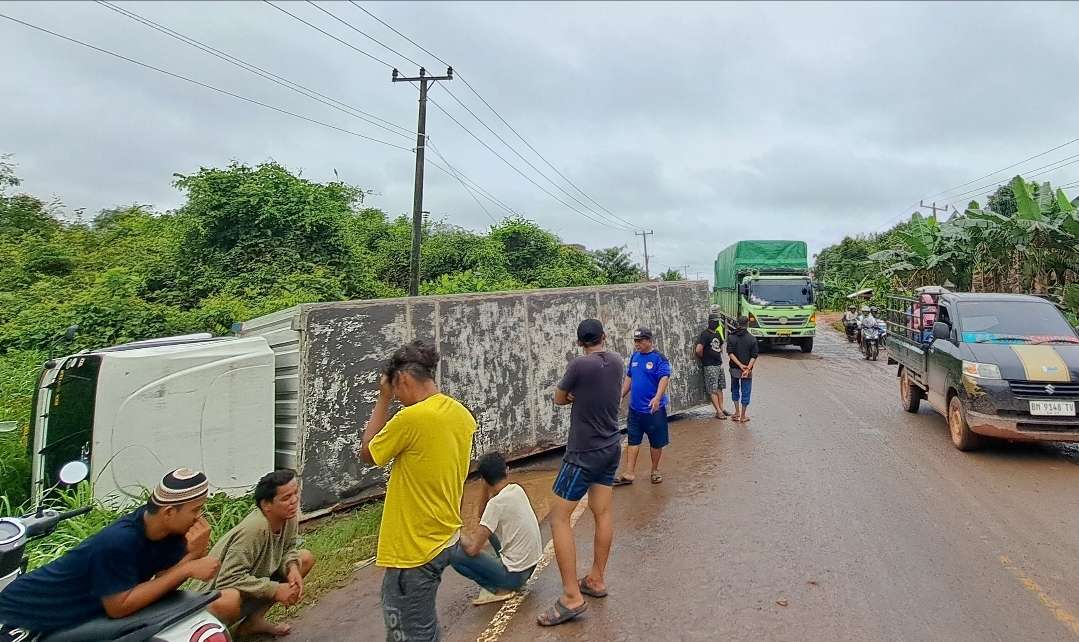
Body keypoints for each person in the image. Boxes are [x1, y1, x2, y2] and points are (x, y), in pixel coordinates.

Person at [0, 469, 219, 640]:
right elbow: (119, 606)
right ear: (170, 512)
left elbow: (161, 584)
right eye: (196, 509)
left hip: (80, 619)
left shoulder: (171, 536)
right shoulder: (118, 541)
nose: (200, 517)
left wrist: (192, 554)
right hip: (20, 615)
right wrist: (189, 565)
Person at [359, 340, 477, 642]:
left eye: (396, 389)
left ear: (404, 379)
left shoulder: (411, 419)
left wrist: (382, 399)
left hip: (413, 551)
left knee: (411, 635)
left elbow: (368, 453)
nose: (397, 397)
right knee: (422, 626)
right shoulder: (460, 414)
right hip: (443, 538)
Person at [538, 319, 623, 627]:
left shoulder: (578, 366)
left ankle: (572, 597)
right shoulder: (616, 361)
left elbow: (559, 399)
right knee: (602, 513)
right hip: (611, 447)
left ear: (579, 343)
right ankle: (596, 580)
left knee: (558, 517)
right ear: (604, 336)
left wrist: (573, 396)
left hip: (582, 454)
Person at [203, 470, 315, 638]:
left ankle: (253, 622)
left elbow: (289, 548)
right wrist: (275, 589)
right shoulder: (254, 529)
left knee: (304, 558)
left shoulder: (288, 517)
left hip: (250, 583)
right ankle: (214, 635)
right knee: (230, 598)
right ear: (266, 505)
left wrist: (292, 568)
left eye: (295, 493)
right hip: (210, 599)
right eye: (286, 498)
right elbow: (228, 578)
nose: (294, 501)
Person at [450, 452, 542, 606]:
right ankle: (502, 582)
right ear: (507, 471)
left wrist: (456, 533)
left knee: (453, 555)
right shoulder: (516, 489)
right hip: (530, 567)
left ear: (484, 479)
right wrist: (486, 486)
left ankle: (498, 588)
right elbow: (482, 516)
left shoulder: (496, 504)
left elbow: (472, 550)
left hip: (515, 576)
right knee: (488, 529)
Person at [616, 327, 672, 485]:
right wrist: (621, 394)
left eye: (640, 341)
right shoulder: (635, 357)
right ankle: (629, 473)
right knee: (633, 440)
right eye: (635, 341)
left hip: (654, 410)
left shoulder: (659, 358)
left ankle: (655, 470)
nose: (637, 344)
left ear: (649, 341)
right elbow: (629, 377)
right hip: (635, 411)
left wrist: (657, 397)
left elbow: (664, 378)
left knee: (656, 442)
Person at [696, 314, 731, 420]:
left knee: (719, 388)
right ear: (710, 322)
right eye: (714, 321)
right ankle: (718, 411)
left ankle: (722, 408)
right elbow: (698, 349)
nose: (716, 323)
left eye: (717, 322)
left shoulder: (717, 333)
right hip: (709, 365)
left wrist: (719, 357)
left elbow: (721, 346)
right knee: (712, 389)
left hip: (718, 364)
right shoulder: (705, 334)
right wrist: (704, 357)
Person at [727, 316, 759, 423]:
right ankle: (743, 416)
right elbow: (754, 356)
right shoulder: (752, 339)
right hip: (747, 371)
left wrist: (740, 365)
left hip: (734, 369)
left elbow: (730, 353)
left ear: (738, 324)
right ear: (747, 324)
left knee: (735, 389)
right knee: (746, 391)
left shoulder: (731, 337)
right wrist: (747, 368)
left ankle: (736, 412)